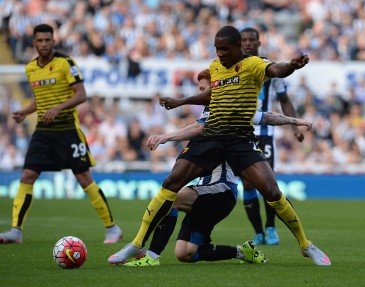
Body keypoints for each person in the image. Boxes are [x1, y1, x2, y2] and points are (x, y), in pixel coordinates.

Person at [108, 25, 331, 266]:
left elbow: (277, 69)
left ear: (237, 47)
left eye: (224, 49)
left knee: (272, 191)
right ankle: (137, 244)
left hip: (239, 140)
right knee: (171, 183)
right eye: (216, 49)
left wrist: (292, 65)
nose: (219, 54)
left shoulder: (254, 64)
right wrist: (181, 101)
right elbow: (209, 96)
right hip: (211, 136)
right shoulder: (215, 67)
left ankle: (306, 245)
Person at [0, 24, 122, 244]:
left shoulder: (66, 63)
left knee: (84, 179)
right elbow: (40, 98)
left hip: (67, 130)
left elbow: (81, 95)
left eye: (48, 40)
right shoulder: (30, 68)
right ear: (34, 42)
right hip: (43, 132)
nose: (44, 44)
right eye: (40, 40)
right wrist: (25, 111)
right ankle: (16, 231)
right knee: (27, 176)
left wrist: (58, 108)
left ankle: (112, 228)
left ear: (53, 41)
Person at [239, 27, 305, 246]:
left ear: (259, 43)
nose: (247, 43)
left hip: (265, 133)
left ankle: (270, 228)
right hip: (240, 132)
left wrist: (294, 125)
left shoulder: (269, 68)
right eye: (244, 40)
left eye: (251, 40)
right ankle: (258, 232)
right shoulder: (232, 68)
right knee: (247, 185)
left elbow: (284, 99)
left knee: (267, 184)